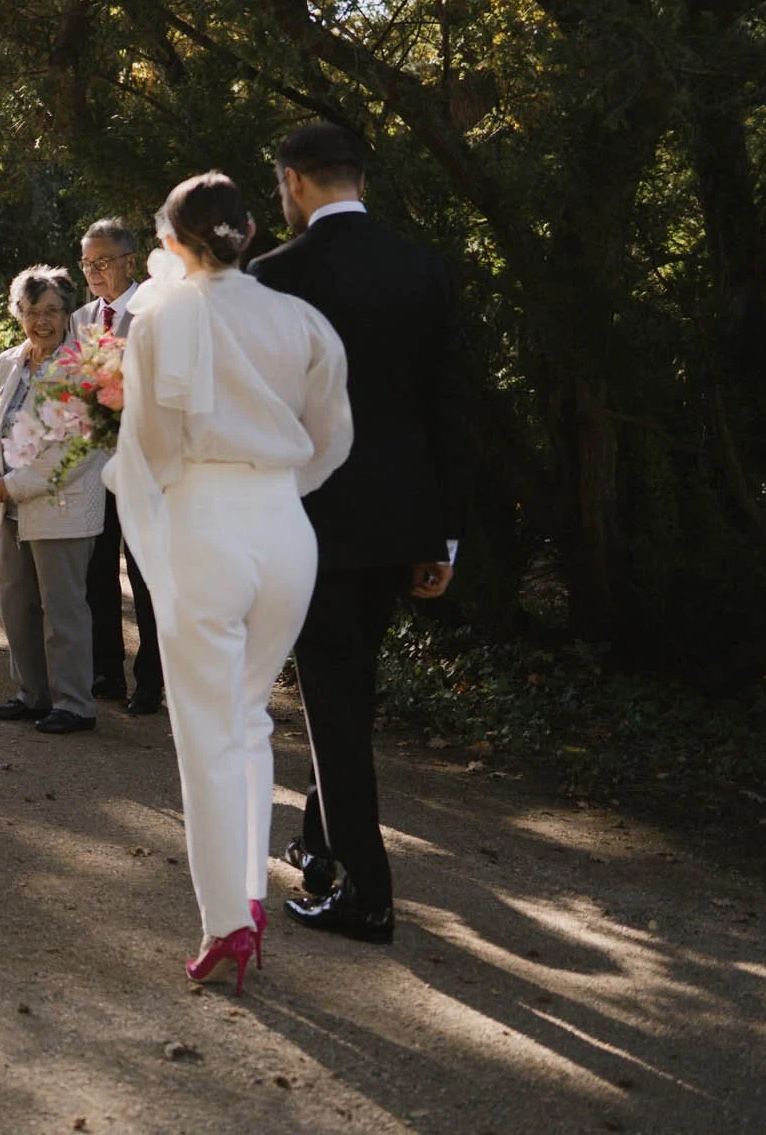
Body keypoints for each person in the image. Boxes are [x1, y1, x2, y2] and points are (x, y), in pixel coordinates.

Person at [107, 172, 351, 992]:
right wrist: (275, 487)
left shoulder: (161, 319)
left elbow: (149, 445)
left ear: (170, 242)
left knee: (208, 730)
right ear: (247, 232)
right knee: (247, 718)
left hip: (205, 520)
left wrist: (172, 496)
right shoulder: (302, 319)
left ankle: (228, 921)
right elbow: (333, 437)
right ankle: (246, 894)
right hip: (285, 526)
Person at [250, 123, 463, 945]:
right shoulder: (423, 267)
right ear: (360, 180)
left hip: (313, 522)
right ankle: (320, 846)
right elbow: (447, 408)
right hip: (402, 522)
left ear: (294, 183)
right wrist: (444, 536)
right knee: (346, 691)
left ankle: (366, 896)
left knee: (335, 701)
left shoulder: (276, 277)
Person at [0, 266, 105, 730]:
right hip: (8, 503)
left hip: (61, 505)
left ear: (68, 314)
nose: (41, 321)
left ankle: (75, 703)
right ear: (19, 314)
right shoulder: (9, 361)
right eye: (31, 311)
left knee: (63, 607)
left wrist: (16, 484)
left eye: (51, 311)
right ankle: (31, 693)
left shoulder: (83, 366)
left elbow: (76, 449)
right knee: (16, 602)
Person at [75, 217, 163, 715]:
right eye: (86, 263)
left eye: (103, 262)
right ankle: (106, 670)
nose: (93, 272)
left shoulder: (155, 311)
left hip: (145, 466)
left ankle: (150, 680)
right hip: (94, 466)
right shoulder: (81, 318)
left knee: (146, 575)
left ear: (130, 261)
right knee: (97, 572)